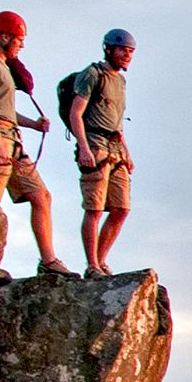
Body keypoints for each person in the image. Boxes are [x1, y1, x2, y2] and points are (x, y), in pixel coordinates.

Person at [0, 11, 71, 276]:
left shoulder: (3, 66)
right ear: (4, 36)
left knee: (41, 196)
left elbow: (3, 110)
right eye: (19, 39)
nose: (21, 45)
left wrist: (33, 123)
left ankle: (48, 261)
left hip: (12, 141)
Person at [62, 27, 136, 274]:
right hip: (95, 143)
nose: (127, 55)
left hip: (116, 147)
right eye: (122, 50)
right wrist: (83, 146)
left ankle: (100, 260)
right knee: (93, 208)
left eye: (130, 51)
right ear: (109, 49)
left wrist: (127, 153)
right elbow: (76, 113)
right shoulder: (92, 74)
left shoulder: (120, 81)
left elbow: (117, 119)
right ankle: (92, 265)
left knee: (121, 208)